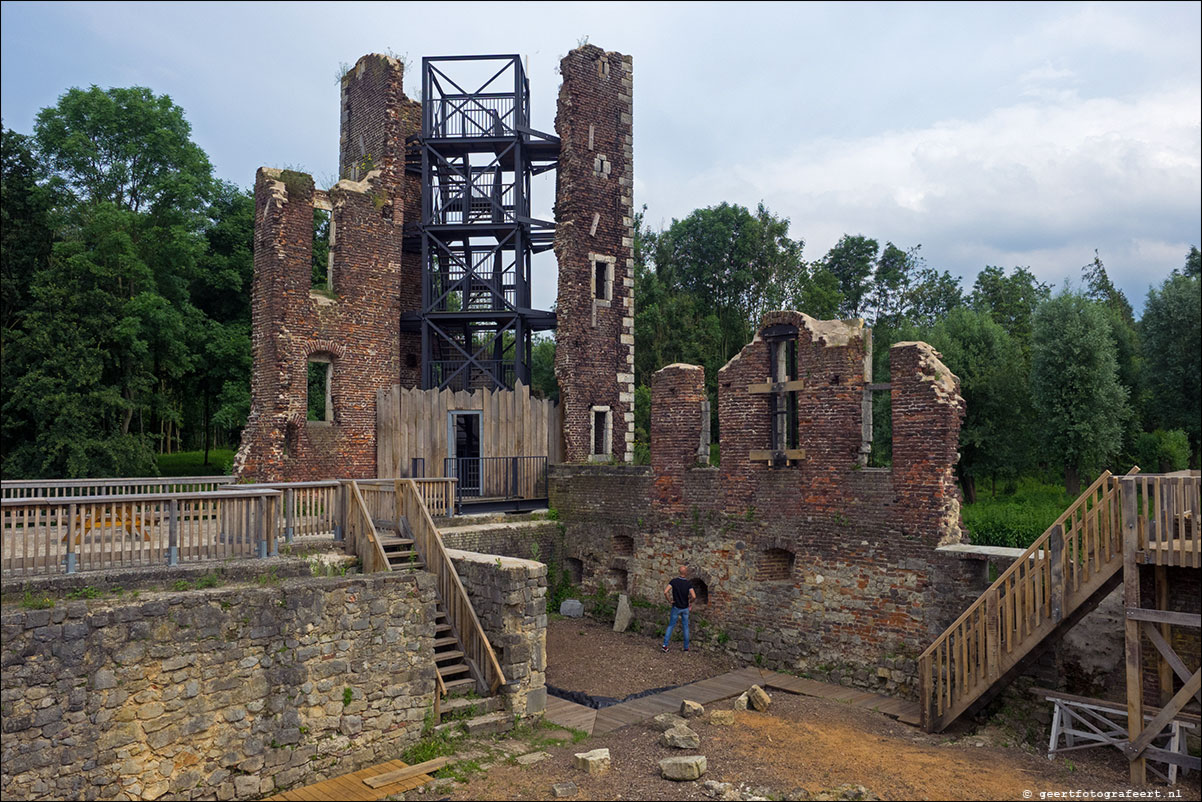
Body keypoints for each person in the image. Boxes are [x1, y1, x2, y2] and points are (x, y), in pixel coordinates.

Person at [662, 565, 696, 652]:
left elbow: (665, 592)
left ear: (679, 572)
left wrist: (670, 600)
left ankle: (665, 645)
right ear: (686, 573)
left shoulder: (674, 581)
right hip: (685, 608)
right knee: (685, 627)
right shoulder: (688, 584)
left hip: (676, 606)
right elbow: (694, 596)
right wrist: (690, 602)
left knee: (671, 626)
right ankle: (686, 647)